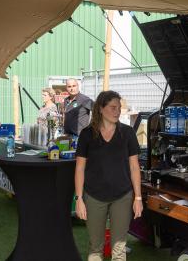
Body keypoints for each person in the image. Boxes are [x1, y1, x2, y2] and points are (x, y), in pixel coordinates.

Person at [74, 90, 143, 261]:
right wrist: (79, 199)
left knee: (119, 248)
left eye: (119, 108)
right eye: (113, 107)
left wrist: (138, 198)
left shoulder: (127, 133)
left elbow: (135, 167)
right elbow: (80, 168)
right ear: (100, 109)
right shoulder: (87, 134)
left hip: (122, 196)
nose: (117, 111)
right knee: (95, 247)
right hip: (93, 196)